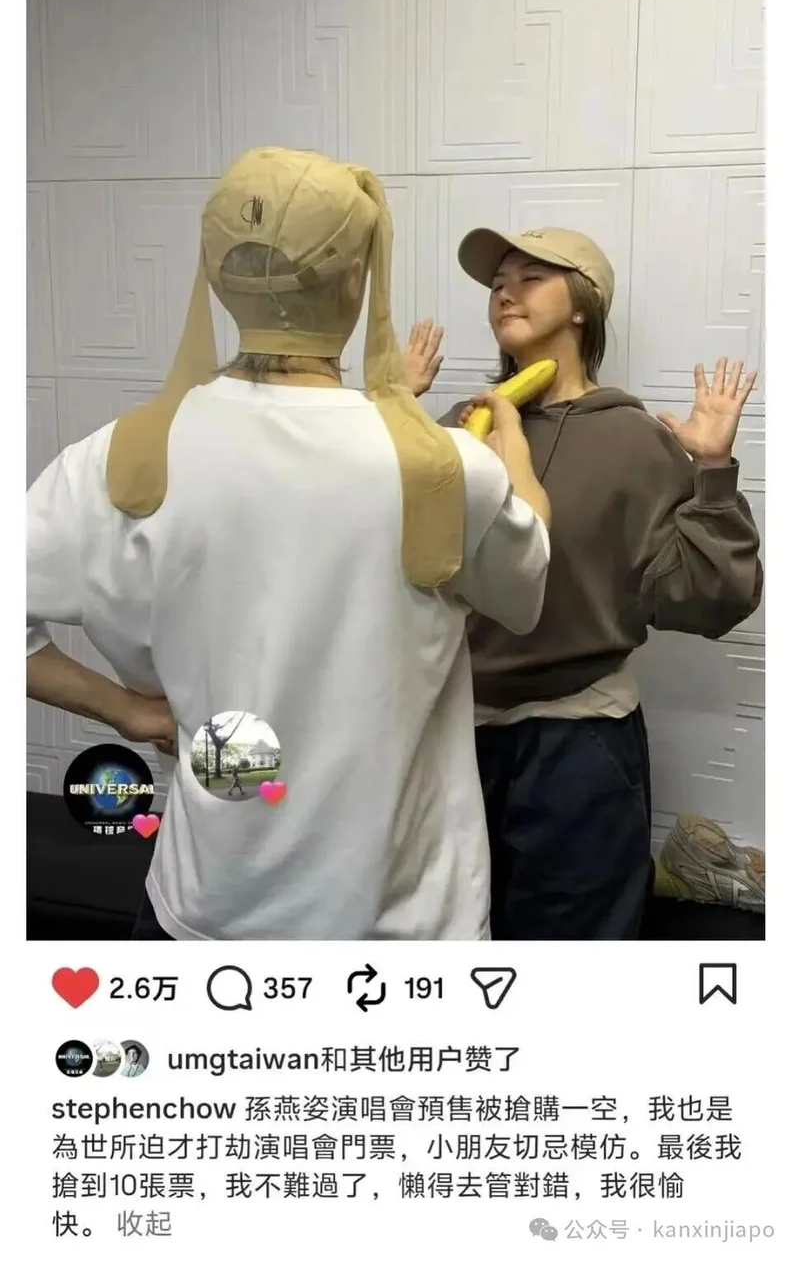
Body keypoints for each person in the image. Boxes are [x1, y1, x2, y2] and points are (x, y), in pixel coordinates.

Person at [27, 149, 552, 942]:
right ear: (357, 278)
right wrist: (515, 458)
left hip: (202, 915)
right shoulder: (443, 469)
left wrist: (126, 709)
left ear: (218, 273)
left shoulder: (119, 458)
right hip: (399, 930)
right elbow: (526, 593)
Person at [425, 225, 763, 942]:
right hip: (451, 734)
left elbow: (711, 601)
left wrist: (712, 473)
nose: (505, 293)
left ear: (582, 305)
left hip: (577, 744)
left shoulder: (632, 439)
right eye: (497, 283)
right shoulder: (459, 429)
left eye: (530, 278)